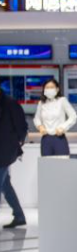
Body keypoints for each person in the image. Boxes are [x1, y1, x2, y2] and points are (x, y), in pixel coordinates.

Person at [0, 88, 28, 229]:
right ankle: (19, 216)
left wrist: (17, 143)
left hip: (5, 151)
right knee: (5, 185)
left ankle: (19, 215)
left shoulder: (10, 103)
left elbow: (22, 126)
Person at [33, 79, 77, 157]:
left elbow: (73, 116)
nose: (49, 89)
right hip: (46, 138)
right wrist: (40, 126)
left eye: (51, 87)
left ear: (57, 89)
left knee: (62, 163)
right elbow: (36, 118)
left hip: (59, 138)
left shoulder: (62, 101)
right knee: (46, 163)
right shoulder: (41, 103)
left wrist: (63, 127)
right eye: (47, 87)